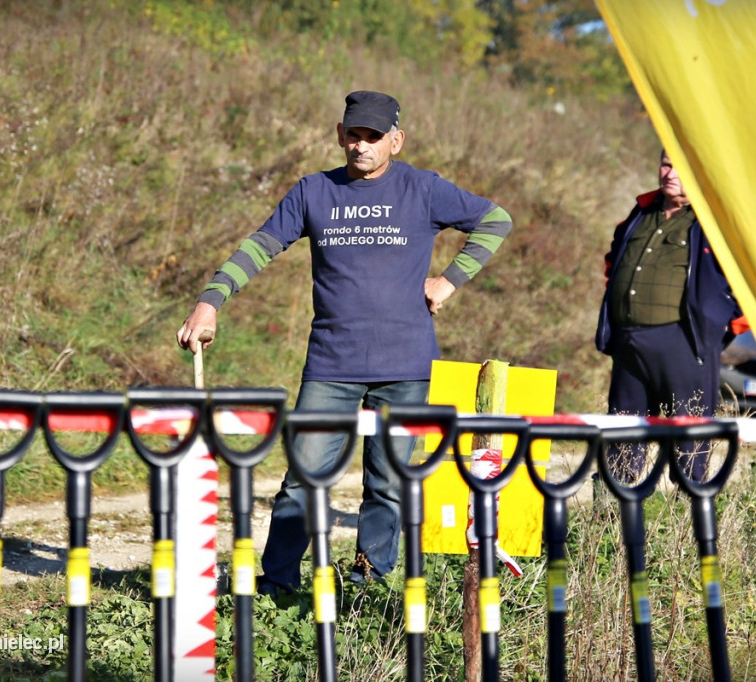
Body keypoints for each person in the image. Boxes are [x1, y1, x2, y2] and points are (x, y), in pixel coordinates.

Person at [176, 90, 513, 593]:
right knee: (302, 479)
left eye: (374, 137)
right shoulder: (313, 192)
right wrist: (210, 301)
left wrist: (448, 280)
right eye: (353, 135)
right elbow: (261, 245)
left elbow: (496, 219)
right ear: (340, 134)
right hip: (332, 365)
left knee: (391, 484)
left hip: (408, 367)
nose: (362, 145)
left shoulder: (423, 189)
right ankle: (280, 585)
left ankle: (368, 583)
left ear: (396, 140)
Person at [595, 149, 745, 482]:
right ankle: (611, 516)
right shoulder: (640, 211)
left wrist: (718, 329)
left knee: (688, 442)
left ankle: (687, 518)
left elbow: (755, 283)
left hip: (685, 343)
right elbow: (613, 262)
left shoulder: (718, 222)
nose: (670, 174)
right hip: (628, 342)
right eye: (666, 164)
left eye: (681, 169)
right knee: (622, 435)